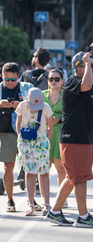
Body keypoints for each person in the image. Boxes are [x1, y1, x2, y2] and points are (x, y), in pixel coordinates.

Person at [44, 51, 93, 227]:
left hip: (83, 138)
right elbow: (85, 84)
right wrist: (86, 62)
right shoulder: (73, 81)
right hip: (74, 139)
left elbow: (92, 107)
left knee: (74, 177)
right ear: (79, 67)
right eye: (90, 65)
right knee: (79, 178)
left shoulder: (87, 84)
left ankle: (55, 212)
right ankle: (83, 217)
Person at [0, 62, 34, 212]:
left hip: (24, 131)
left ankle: (31, 200)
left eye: (13, 79)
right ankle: (10, 200)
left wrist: (19, 105)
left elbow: (36, 105)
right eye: (7, 79)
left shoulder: (26, 88)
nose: (10, 82)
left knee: (28, 166)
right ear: (2, 76)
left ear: (18, 77)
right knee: (8, 166)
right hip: (5, 132)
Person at [15, 88, 53, 216]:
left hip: (41, 143)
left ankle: (46, 203)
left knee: (44, 173)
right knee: (29, 173)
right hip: (26, 143)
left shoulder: (46, 107)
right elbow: (18, 122)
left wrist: (45, 141)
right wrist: (20, 138)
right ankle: (31, 204)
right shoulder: (21, 106)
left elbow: (50, 126)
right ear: (27, 100)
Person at [42, 69, 68, 208]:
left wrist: (61, 119)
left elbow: (71, 115)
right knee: (44, 168)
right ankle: (44, 200)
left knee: (60, 167)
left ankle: (61, 199)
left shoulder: (66, 96)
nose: (54, 81)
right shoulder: (41, 95)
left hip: (59, 133)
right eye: (51, 79)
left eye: (57, 79)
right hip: (43, 134)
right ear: (48, 81)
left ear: (62, 81)